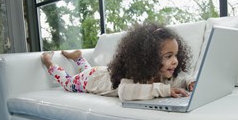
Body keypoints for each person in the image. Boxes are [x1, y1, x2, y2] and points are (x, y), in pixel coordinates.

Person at [41, 22, 195, 101]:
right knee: (68, 83)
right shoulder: (134, 75)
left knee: (87, 70)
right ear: (148, 58)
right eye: (168, 56)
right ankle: (49, 62)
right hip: (90, 79)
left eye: (176, 55)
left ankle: (78, 58)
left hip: (100, 73)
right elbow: (125, 92)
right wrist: (164, 90)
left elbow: (176, 83)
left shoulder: (160, 74)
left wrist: (188, 82)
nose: (175, 61)